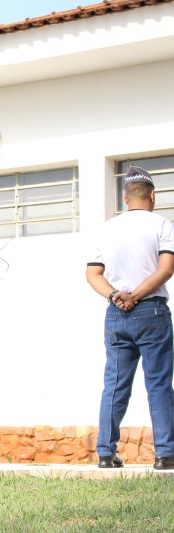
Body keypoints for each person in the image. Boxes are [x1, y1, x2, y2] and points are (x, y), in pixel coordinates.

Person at [86, 165, 174, 471]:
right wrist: (136, 295)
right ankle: (165, 454)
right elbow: (166, 269)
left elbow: (92, 274)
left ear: (125, 198)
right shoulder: (162, 225)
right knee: (158, 384)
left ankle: (105, 453)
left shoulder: (108, 228)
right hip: (151, 311)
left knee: (114, 384)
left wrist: (116, 296)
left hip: (116, 313)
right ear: (152, 196)